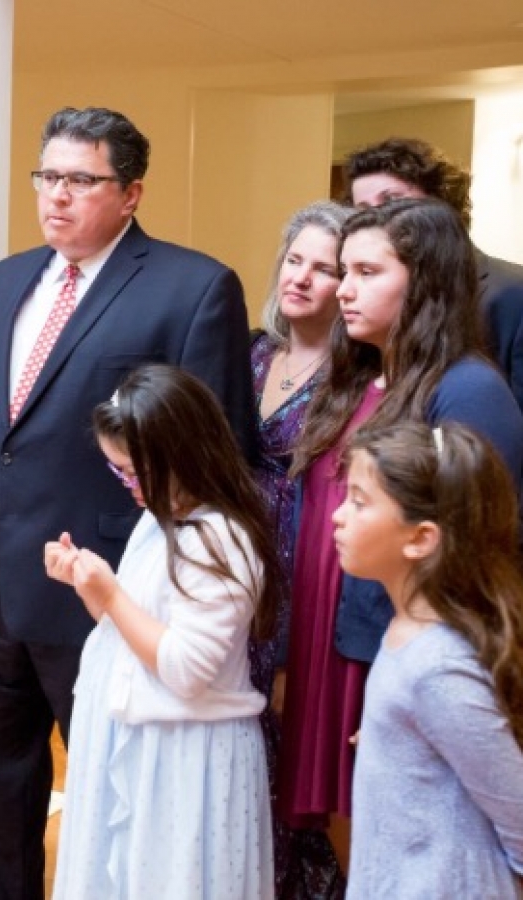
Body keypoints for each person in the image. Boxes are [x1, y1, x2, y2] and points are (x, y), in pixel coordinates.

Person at [0, 105, 256, 900]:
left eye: (82, 180)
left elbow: (218, 457)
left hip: (112, 593)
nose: (57, 196)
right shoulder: (1, 281)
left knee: (115, 804)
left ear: (131, 193)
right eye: (48, 177)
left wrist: (129, 582)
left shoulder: (193, 288)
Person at [277, 198, 523, 854]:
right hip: (333, 630)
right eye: (344, 272)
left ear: (424, 281)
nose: (345, 290)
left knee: (394, 836)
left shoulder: (468, 391)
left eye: (366, 272)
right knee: (341, 831)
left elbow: (474, 551)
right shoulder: (357, 377)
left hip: (402, 642)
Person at [44, 365, 277, 900]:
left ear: (181, 454)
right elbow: (136, 633)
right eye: (118, 472)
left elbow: (186, 669)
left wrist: (111, 595)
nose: (128, 486)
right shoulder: (160, 519)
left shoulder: (221, 539)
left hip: (181, 757)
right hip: (139, 740)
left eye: (133, 472)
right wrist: (86, 585)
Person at [333, 421, 523, 898]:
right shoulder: (407, 632)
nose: (338, 516)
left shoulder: (438, 667)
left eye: (359, 502)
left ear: (420, 539)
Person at [248, 201, 351, 898]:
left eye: (326, 268)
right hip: (234, 567)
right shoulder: (252, 353)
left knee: (286, 750)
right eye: (295, 260)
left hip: (302, 574)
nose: (303, 279)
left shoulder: (355, 378)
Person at [343, 136, 523, 410]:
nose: (378, 217)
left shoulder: (512, 291)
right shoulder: (364, 295)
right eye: (363, 210)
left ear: (442, 203)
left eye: (391, 202)